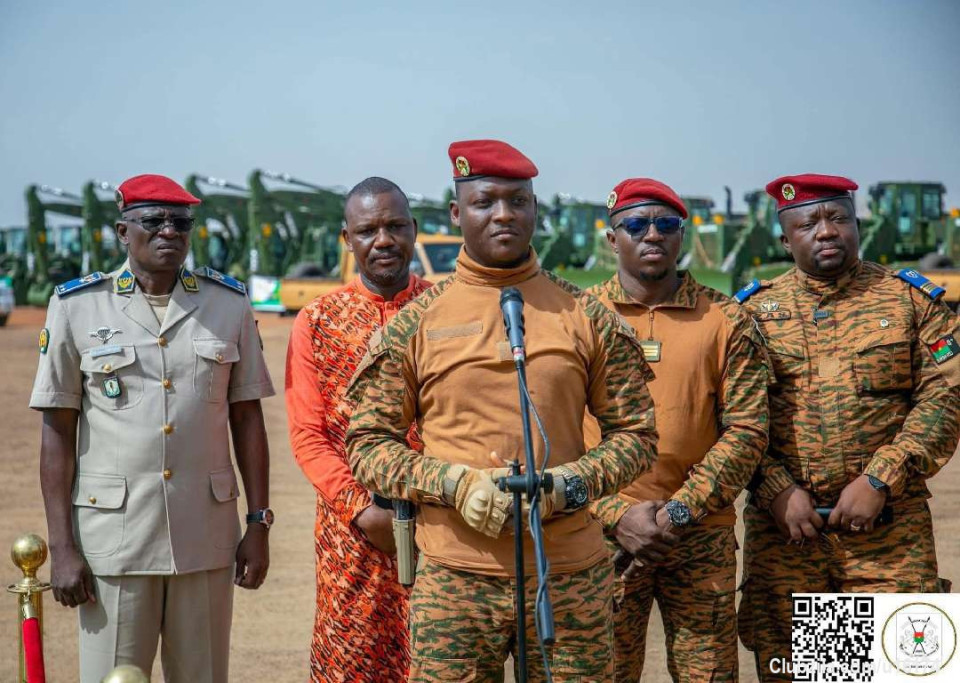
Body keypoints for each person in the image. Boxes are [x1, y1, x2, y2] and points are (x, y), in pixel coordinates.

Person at [346, 139, 658, 682]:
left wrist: (573, 484)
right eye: (485, 201)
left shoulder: (585, 315)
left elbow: (637, 436)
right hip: (455, 581)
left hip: (568, 577)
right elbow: (367, 445)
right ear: (455, 213)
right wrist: (453, 484)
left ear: (536, 209)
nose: (504, 215)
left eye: (519, 200)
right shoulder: (415, 324)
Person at [30, 174, 274, 683]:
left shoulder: (227, 305)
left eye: (181, 223)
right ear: (123, 231)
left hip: (204, 536)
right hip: (114, 540)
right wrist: (63, 547)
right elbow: (57, 430)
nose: (169, 231)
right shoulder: (77, 307)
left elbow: (247, 419)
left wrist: (258, 522)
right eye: (153, 221)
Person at [736, 174, 960, 681]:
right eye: (808, 222)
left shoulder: (908, 302)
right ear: (783, 237)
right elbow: (730, 416)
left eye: (837, 218)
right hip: (789, 538)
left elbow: (947, 396)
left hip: (888, 540)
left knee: (899, 670)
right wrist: (774, 488)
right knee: (798, 674)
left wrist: (881, 478)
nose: (826, 231)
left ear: (857, 224)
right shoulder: (751, 316)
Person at [584, 178, 769, 682]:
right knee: (603, 672)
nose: (653, 235)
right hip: (602, 536)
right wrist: (618, 513)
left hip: (699, 534)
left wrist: (680, 511)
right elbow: (554, 433)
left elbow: (748, 430)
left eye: (667, 225)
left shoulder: (725, 317)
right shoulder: (578, 317)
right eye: (637, 225)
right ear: (611, 238)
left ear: (681, 235)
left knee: (708, 675)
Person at [285, 176, 432, 682]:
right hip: (354, 536)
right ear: (347, 240)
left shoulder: (450, 310)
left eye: (394, 226)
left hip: (446, 527)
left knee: (444, 665)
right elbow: (308, 434)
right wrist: (360, 508)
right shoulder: (319, 322)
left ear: (414, 230)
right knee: (351, 661)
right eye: (368, 230)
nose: (384, 240)